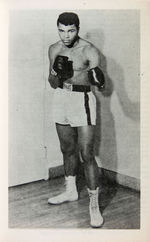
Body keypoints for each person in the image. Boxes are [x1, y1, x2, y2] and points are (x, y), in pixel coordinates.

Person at [47, 12, 105, 228]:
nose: (65, 35)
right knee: (66, 148)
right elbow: (52, 83)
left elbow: (100, 84)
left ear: (78, 29)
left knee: (87, 153)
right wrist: (56, 72)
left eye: (70, 30)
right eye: (61, 30)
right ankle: (71, 191)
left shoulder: (89, 50)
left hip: (82, 99)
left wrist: (98, 79)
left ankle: (94, 206)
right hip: (61, 97)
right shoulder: (54, 49)